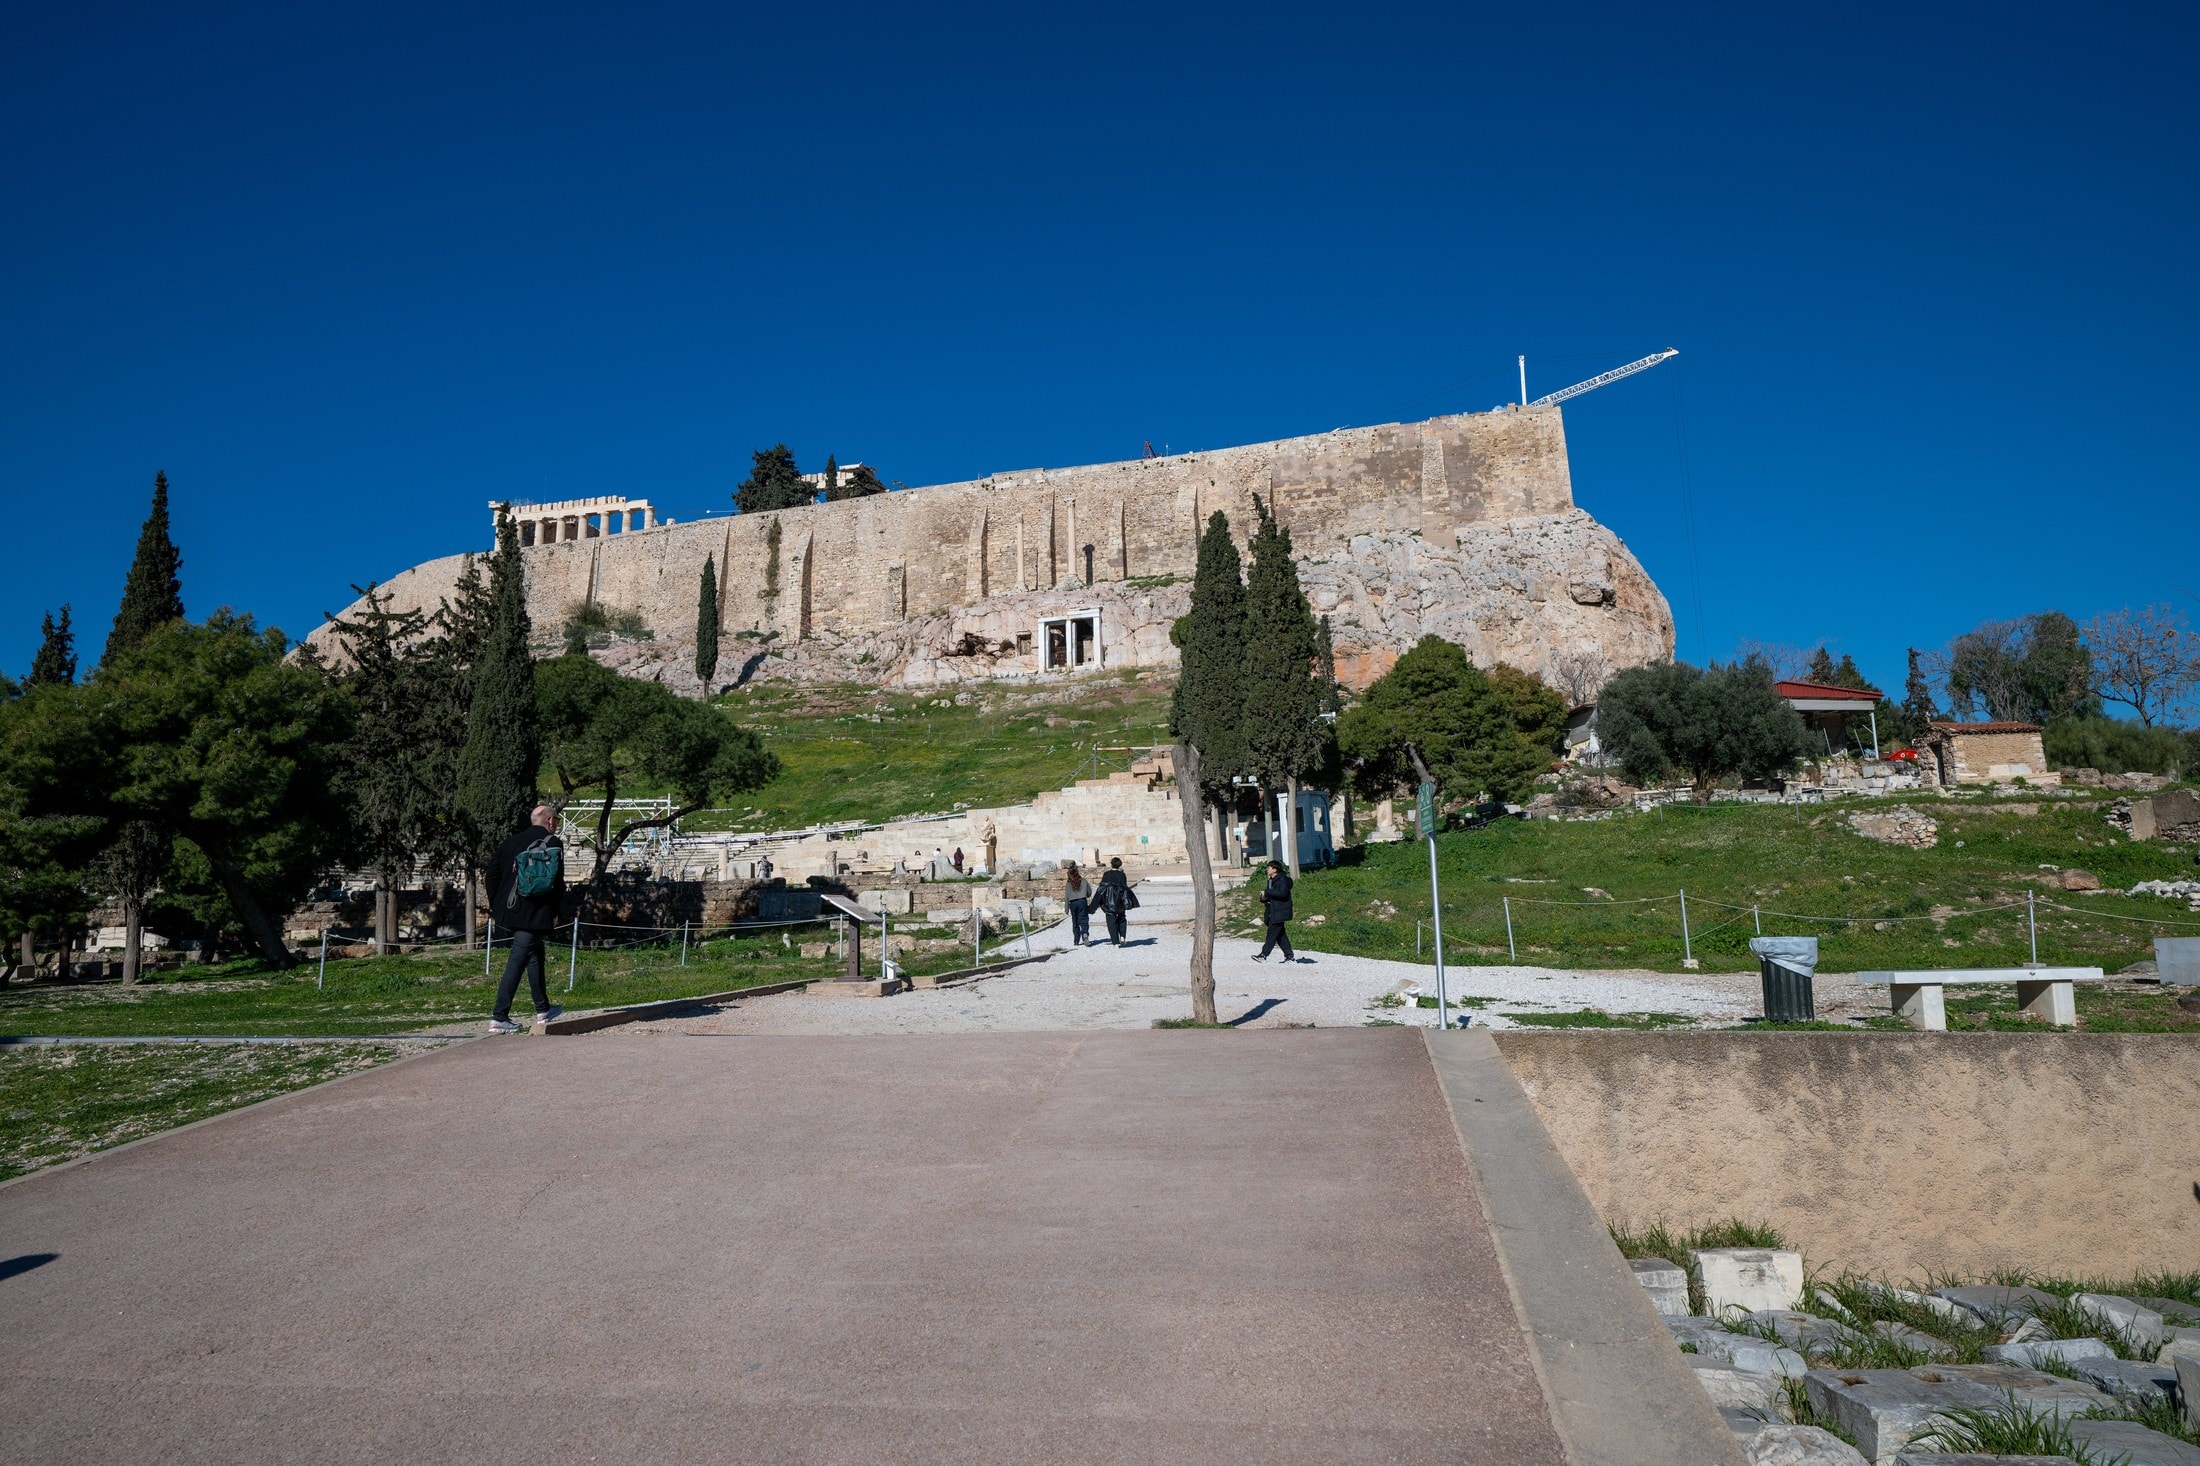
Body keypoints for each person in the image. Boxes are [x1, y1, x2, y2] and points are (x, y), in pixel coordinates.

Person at [486, 804, 568, 1032]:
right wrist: (555, 913)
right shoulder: (553, 843)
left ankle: (543, 1009)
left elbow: (491, 875)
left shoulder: (511, 842)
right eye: (557, 820)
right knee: (518, 959)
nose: (556, 824)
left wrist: (498, 904)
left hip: (509, 909)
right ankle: (499, 1016)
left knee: (534, 954)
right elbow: (557, 883)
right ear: (550, 821)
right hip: (536, 912)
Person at [1253, 859, 1295, 963]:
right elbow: (1271, 895)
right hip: (1272, 911)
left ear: (1275, 869)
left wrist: (1267, 892)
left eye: (1269, 868)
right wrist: (1263, 897)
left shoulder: (1282, 880)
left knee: (1272, 934)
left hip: (1280, 911)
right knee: (1280, 935)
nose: (1267, 869)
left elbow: (1282, 893)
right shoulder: (1271, 881)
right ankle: (1290, 957)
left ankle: (1263, 955)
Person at [1095, 856, 1138, 945]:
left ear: (1111, 864)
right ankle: (1122, 936)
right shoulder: (1122, 875)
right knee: (1122, 917)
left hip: (1109, 900)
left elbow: (1102, 888)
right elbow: (1124, 887)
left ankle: (1115, 941)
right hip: (1120, 900)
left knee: (1111, 920)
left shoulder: (1106, 874)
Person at [1063, 862, 1093, 946]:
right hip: (1082, 902)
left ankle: (1076, 940)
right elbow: (1089, 893)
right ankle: (1085, 933)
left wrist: (1066, 909)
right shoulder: (1084, 881)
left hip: (1073, 903)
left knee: (1075, 922)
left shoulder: (1068, 883)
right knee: (1084, 920)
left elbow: (1066, 897)